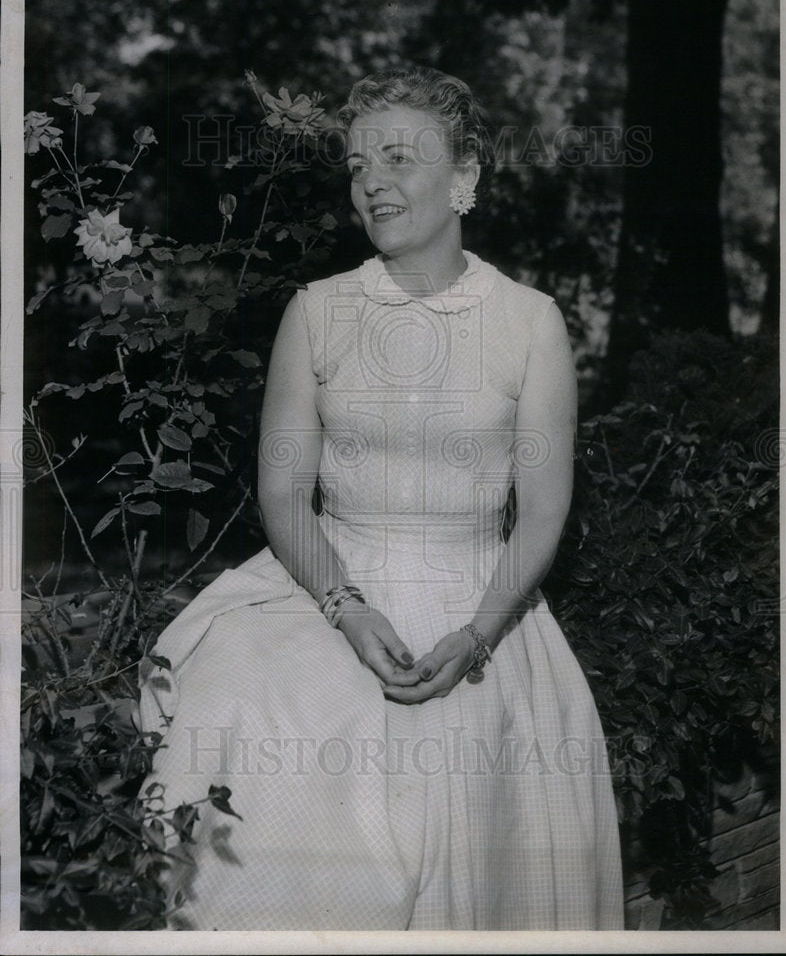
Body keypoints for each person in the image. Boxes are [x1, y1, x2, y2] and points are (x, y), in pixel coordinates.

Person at [137, 65, 624, 931]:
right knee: (245, 741)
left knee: (468, 809)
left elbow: (543, 511)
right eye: (358, 167)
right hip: (325, 589)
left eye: (398, 158)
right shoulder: (317, 313)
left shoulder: (528, 321)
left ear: (465, 177)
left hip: (481, 606)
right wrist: (347, 609)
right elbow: (282, 491)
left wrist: (477, 636)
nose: (371, 184)